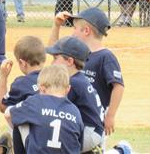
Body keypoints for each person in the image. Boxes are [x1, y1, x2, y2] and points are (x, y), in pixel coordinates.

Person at [49, 7, 124, 138]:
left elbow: (118, 86)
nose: (72, 33)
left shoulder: (105, 57)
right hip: (73, 113)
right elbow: (55, 52)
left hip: (95, 118)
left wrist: (110, 116)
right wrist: (56, 26)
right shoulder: (77, 53)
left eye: (75, 29)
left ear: (86, 31)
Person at [5, 64, 84, 153]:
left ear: (42, 89)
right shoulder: (75, 111)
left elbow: (8, 115)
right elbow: (79, 145)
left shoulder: (36, 101)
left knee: (18, 117)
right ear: (68, 89)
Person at [46, 36, 104, 153]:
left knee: (51, 142)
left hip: (89, 133)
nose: (52, 63)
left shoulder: (73, 83)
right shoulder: (79, 79)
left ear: (70, 61)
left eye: (55, 58)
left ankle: (119, 151)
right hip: (93, 130)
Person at [0, 36, 46, 154]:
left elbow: (3, 107)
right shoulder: (54, 77)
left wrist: (3, 77)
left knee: (14, 114)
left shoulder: (22, 83)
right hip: (55, 134)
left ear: (22, 63)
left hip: (33, 138)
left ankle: (6, 148)